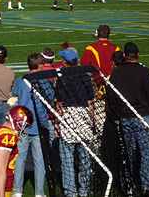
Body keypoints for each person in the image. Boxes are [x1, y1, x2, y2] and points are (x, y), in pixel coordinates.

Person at [108, 42, 149, 195]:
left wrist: (118, 112)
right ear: (138, 54)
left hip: (125, 116)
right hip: (143, 116)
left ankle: (127, 185)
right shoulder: (144, 72)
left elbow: (111, 97)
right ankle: (147, 186)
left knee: (127, 154)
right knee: (147, 153)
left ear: (124, 56)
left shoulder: (116, 73)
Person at [56, 48, 94, 197]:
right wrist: (91, 121)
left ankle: (70, 191)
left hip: (68, 118)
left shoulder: (62, 77)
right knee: (85, 158)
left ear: (65, 61)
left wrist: (57, 123)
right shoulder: (85, 75)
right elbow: (91, 101)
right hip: (83, 118)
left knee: (67, 159)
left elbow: (59, 103)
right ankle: (84, 190)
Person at [12, 53, 46, 197]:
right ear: (40, 65)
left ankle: (18, 190)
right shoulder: (44, 81)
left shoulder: (21, 80)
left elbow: (15, 95)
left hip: (23, 124)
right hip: (38, 124)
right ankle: (39, 192)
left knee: (20, 159)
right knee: (39, 161)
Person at [0, 105, 34, 197]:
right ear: (18, 120)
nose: (24, 129)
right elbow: (1, 172)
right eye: (24, 125)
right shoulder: (7, 135)